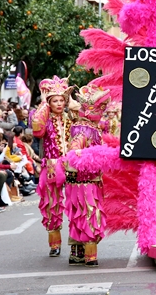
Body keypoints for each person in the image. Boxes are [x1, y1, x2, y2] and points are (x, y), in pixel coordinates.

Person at [63, 84, 110, 267]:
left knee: (78, 214)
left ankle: (77, 253)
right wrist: (88, 160)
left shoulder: (87, 126)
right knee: (90, 213)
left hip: (82, 181)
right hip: (85, 181)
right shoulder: (85, 129)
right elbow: (75, 150)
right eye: (101, 110)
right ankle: (89, 255)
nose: (103, 114)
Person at [30, 75, 73, 257]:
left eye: (61, 100)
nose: (58, 103)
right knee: (52, 206)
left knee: (76, 204)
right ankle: (55, 244)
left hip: (71, 166)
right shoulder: (44, 119)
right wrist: (43, 104)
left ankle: (77, 242)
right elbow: (37, 130)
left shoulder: (71, 118)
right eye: (54, 100)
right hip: (51, 166)